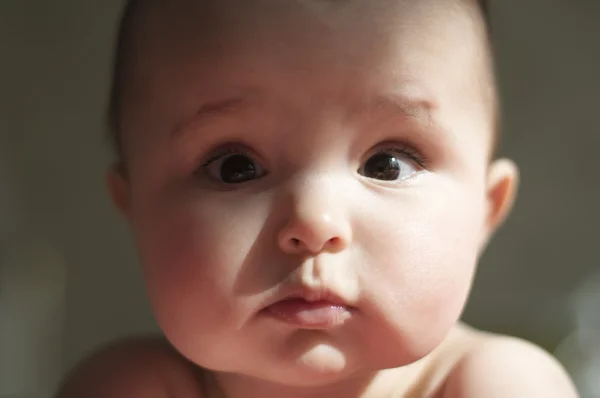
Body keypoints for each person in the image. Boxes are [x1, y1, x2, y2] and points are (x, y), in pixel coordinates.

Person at [57, 0, 578, 396]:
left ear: (485, 212)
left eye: (387, 164)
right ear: (135, 209)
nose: (314, 222)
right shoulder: (130, 385)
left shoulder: (495, 383)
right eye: (235, 167)